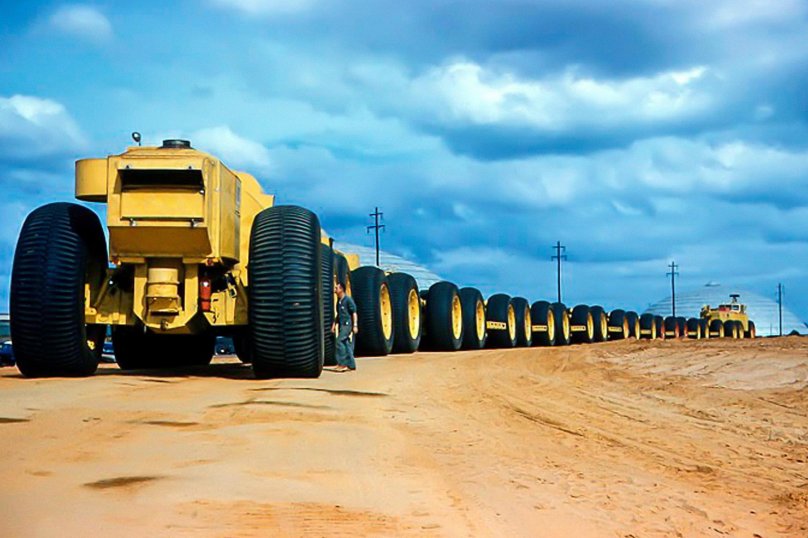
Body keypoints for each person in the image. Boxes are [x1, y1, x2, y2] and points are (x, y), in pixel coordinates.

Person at [331, 280, 358, 372]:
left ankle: (342, 364)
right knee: (345, 343)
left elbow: (354, 313)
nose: (335, 289)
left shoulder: (348, 300)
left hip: (347, 325)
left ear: (341, 289)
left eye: (336, 288)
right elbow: (338, 315)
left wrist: (355, 325)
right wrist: (334, 325)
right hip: (342, 325)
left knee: (339, 342)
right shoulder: (339, 301)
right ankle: (351, 365)